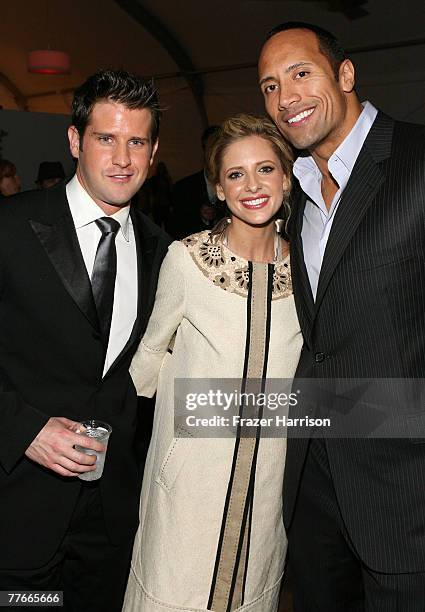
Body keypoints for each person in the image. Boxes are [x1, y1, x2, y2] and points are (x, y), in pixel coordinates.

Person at [258, 21, 425, 610]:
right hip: (315, 485)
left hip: (405, 490)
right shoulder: (296, 190)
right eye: (271, 87)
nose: (286, 98)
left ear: (345, 73)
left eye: (301, 74)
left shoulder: (415, 159)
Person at [0, 69, 170, 611]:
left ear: (153, 150)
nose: (122, 157)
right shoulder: (9, 226)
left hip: (111, 520)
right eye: (106, 138)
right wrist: (24, 428)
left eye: (136, 141)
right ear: (75, 140)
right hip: (18, 506)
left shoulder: (165, 253)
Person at [123, 113, 303, 612]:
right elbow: (148, 361)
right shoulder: (186, 259)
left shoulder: (308, 269)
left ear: (286, 180)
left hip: (268, 488)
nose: (252, 186)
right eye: (236, 174)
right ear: (218, 189)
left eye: (265, 170)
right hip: (188, 486)